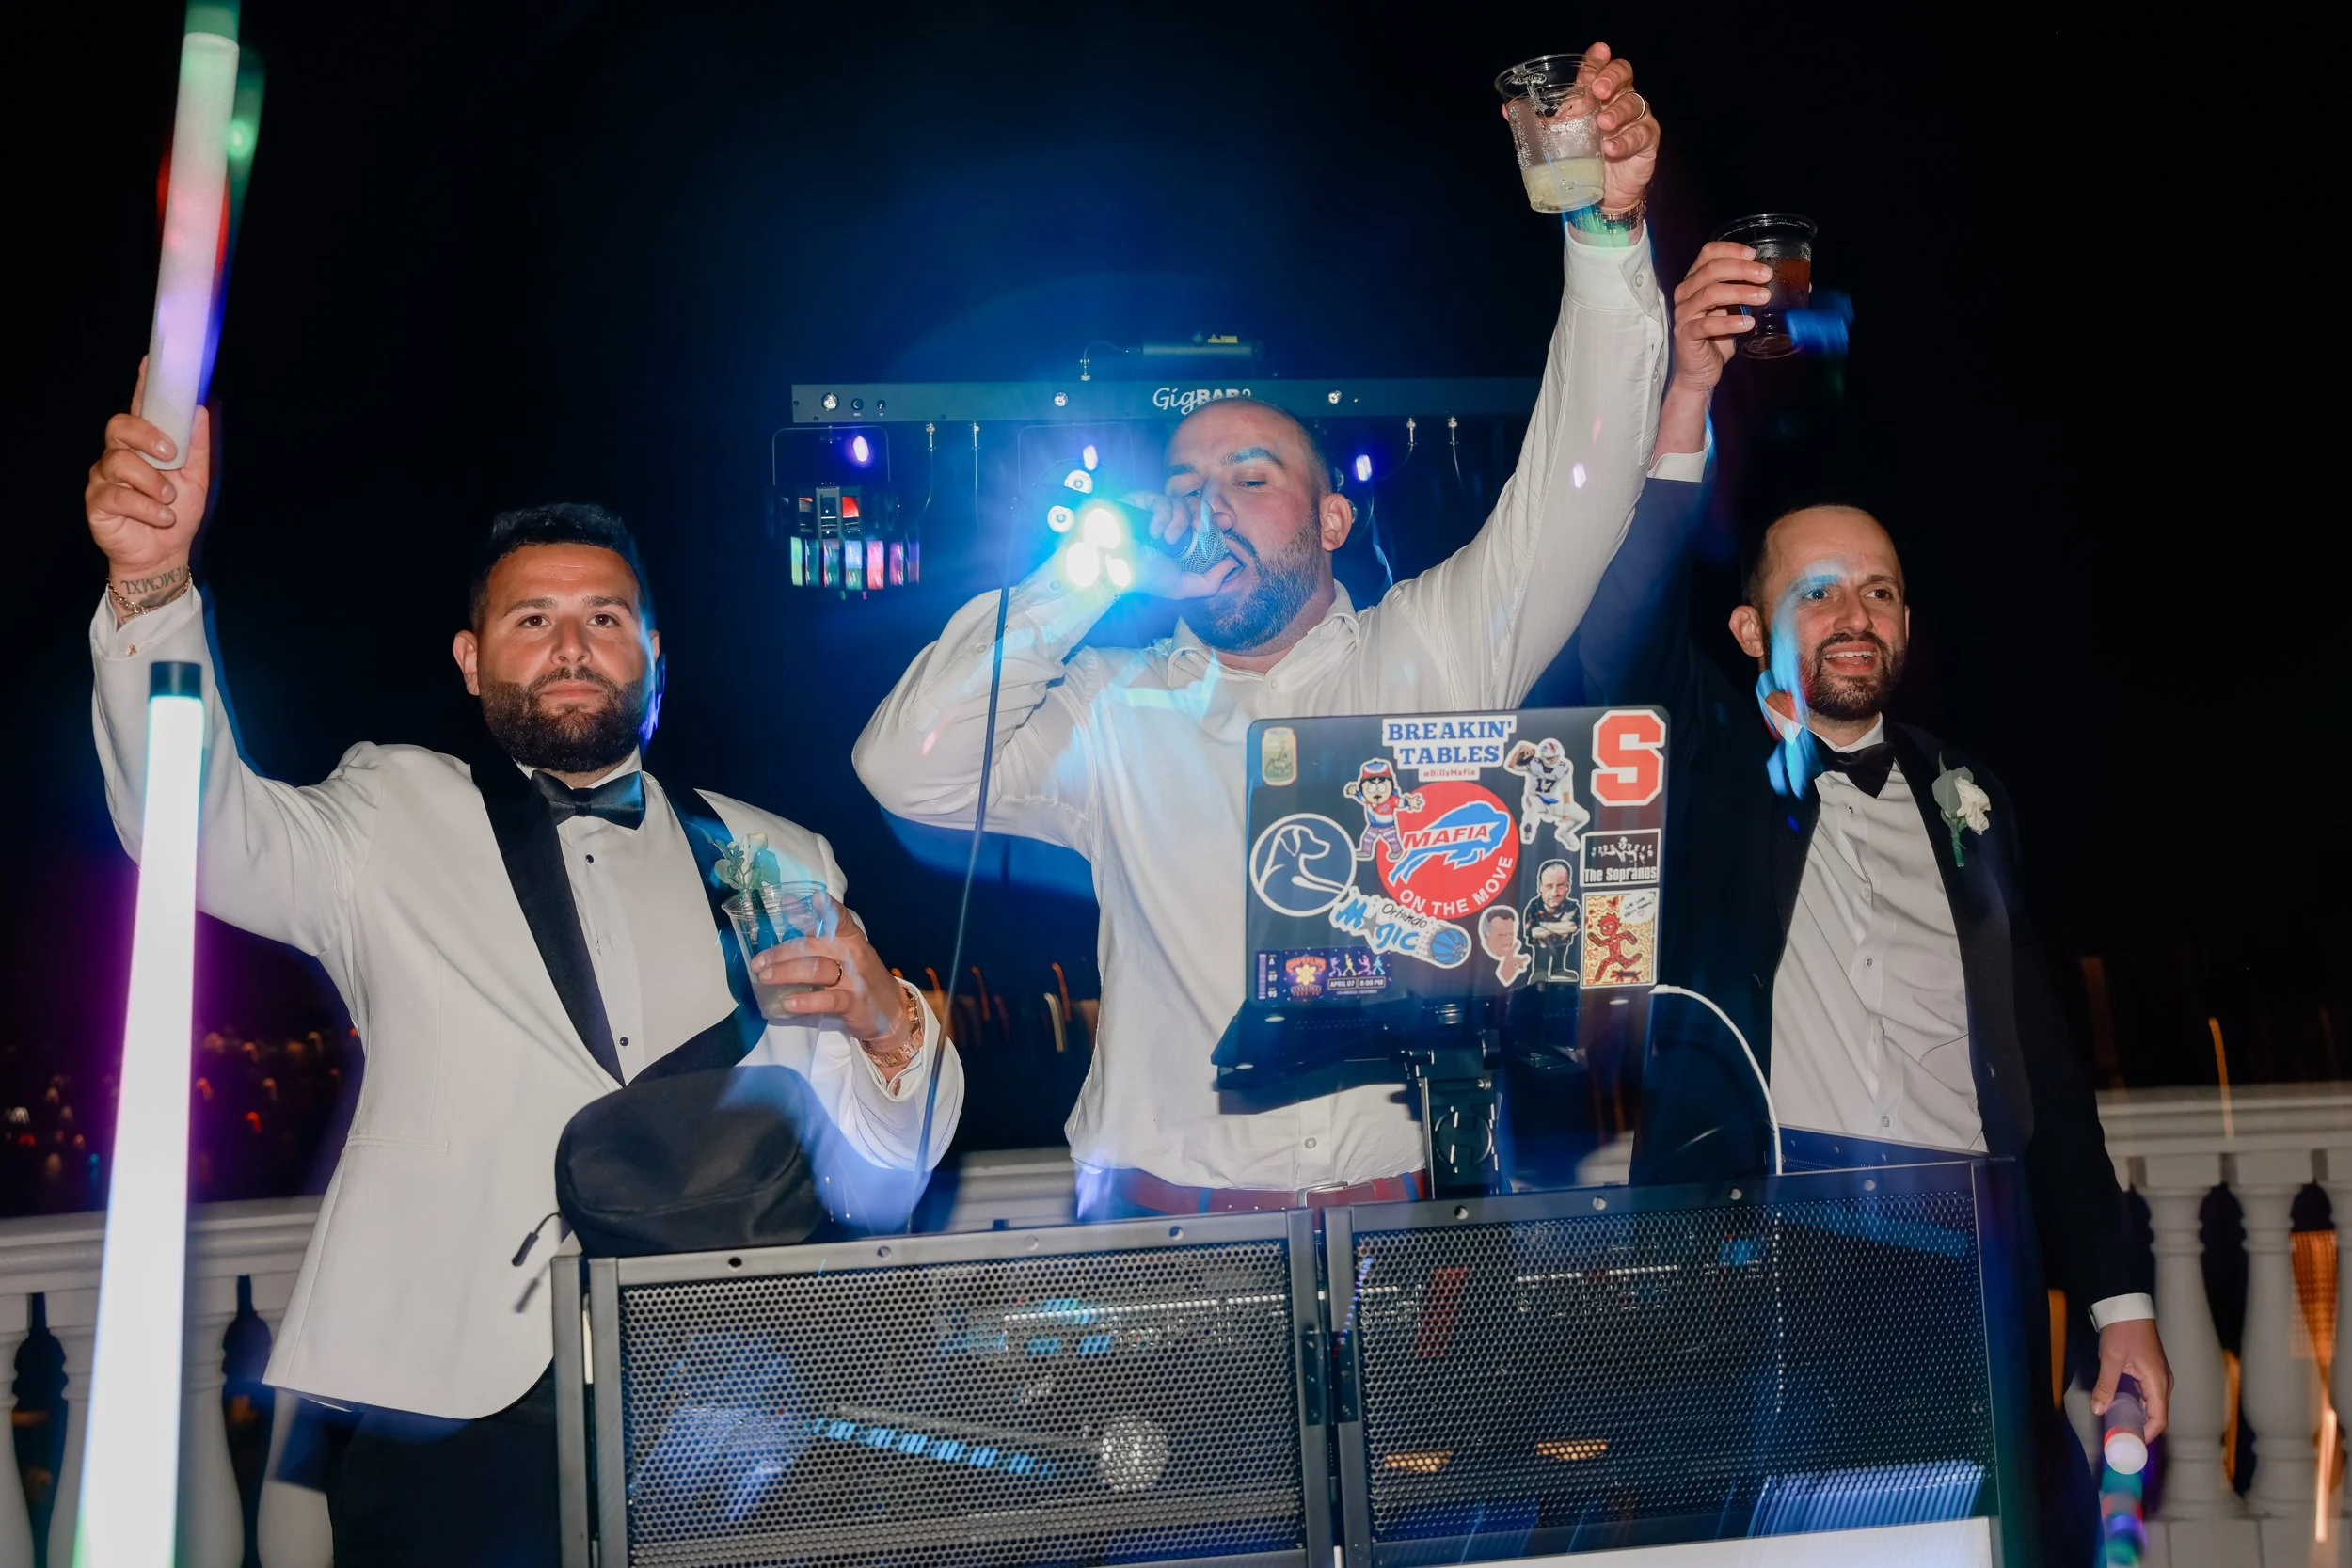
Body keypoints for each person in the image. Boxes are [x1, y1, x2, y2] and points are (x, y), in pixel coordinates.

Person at [81, 371, 963, 1565]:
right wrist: (153, 587)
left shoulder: (776, 852)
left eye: (605, 617)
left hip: (734, 1400)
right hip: (456, 1399)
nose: (571, 645)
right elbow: (189, 819)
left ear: (655, 652)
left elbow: (875, 1174)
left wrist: (888, 1027)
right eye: (531, 617)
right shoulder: (387, 809)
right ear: (469, 656)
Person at [858, 45, 1681, 1218]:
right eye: (1185, 485)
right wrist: (1082, 577)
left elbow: (1580, 488)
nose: (1208, 504)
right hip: (1162, 1229)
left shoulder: (1431, 646)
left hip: (1409, 1221)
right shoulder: (1111, 704)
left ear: (1332, 516)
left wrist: (1606, 241)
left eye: (1251, 476)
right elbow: (906, 770)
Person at [1577, 241, 2169, 1560]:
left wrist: (2119, 1293)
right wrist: (1684, 402)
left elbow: (2048, 1069)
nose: (1859, 610)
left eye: (1884, 588)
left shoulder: (1971, 793)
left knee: (2019, 1539)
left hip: (1984, 1242)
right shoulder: (1700, 765)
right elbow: (1614, 623)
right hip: (1781, 1245)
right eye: (1819, 588)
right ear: (1749, 633)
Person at [1524, 859, 1581, 983]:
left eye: (1560, 885)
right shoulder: (1533, 906)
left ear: (1568, 886)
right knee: (1541, 960)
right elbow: (1533, 933)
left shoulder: (1572, 906)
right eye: (1549, 886)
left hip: (1562, 944)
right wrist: (1561, 926)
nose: (1555, 893)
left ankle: (1558, 969)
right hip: (1541, 947)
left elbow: (1572, 927)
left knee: (1560, 954)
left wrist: (1543, 925)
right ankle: (1540, 971)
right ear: (1540, 887)